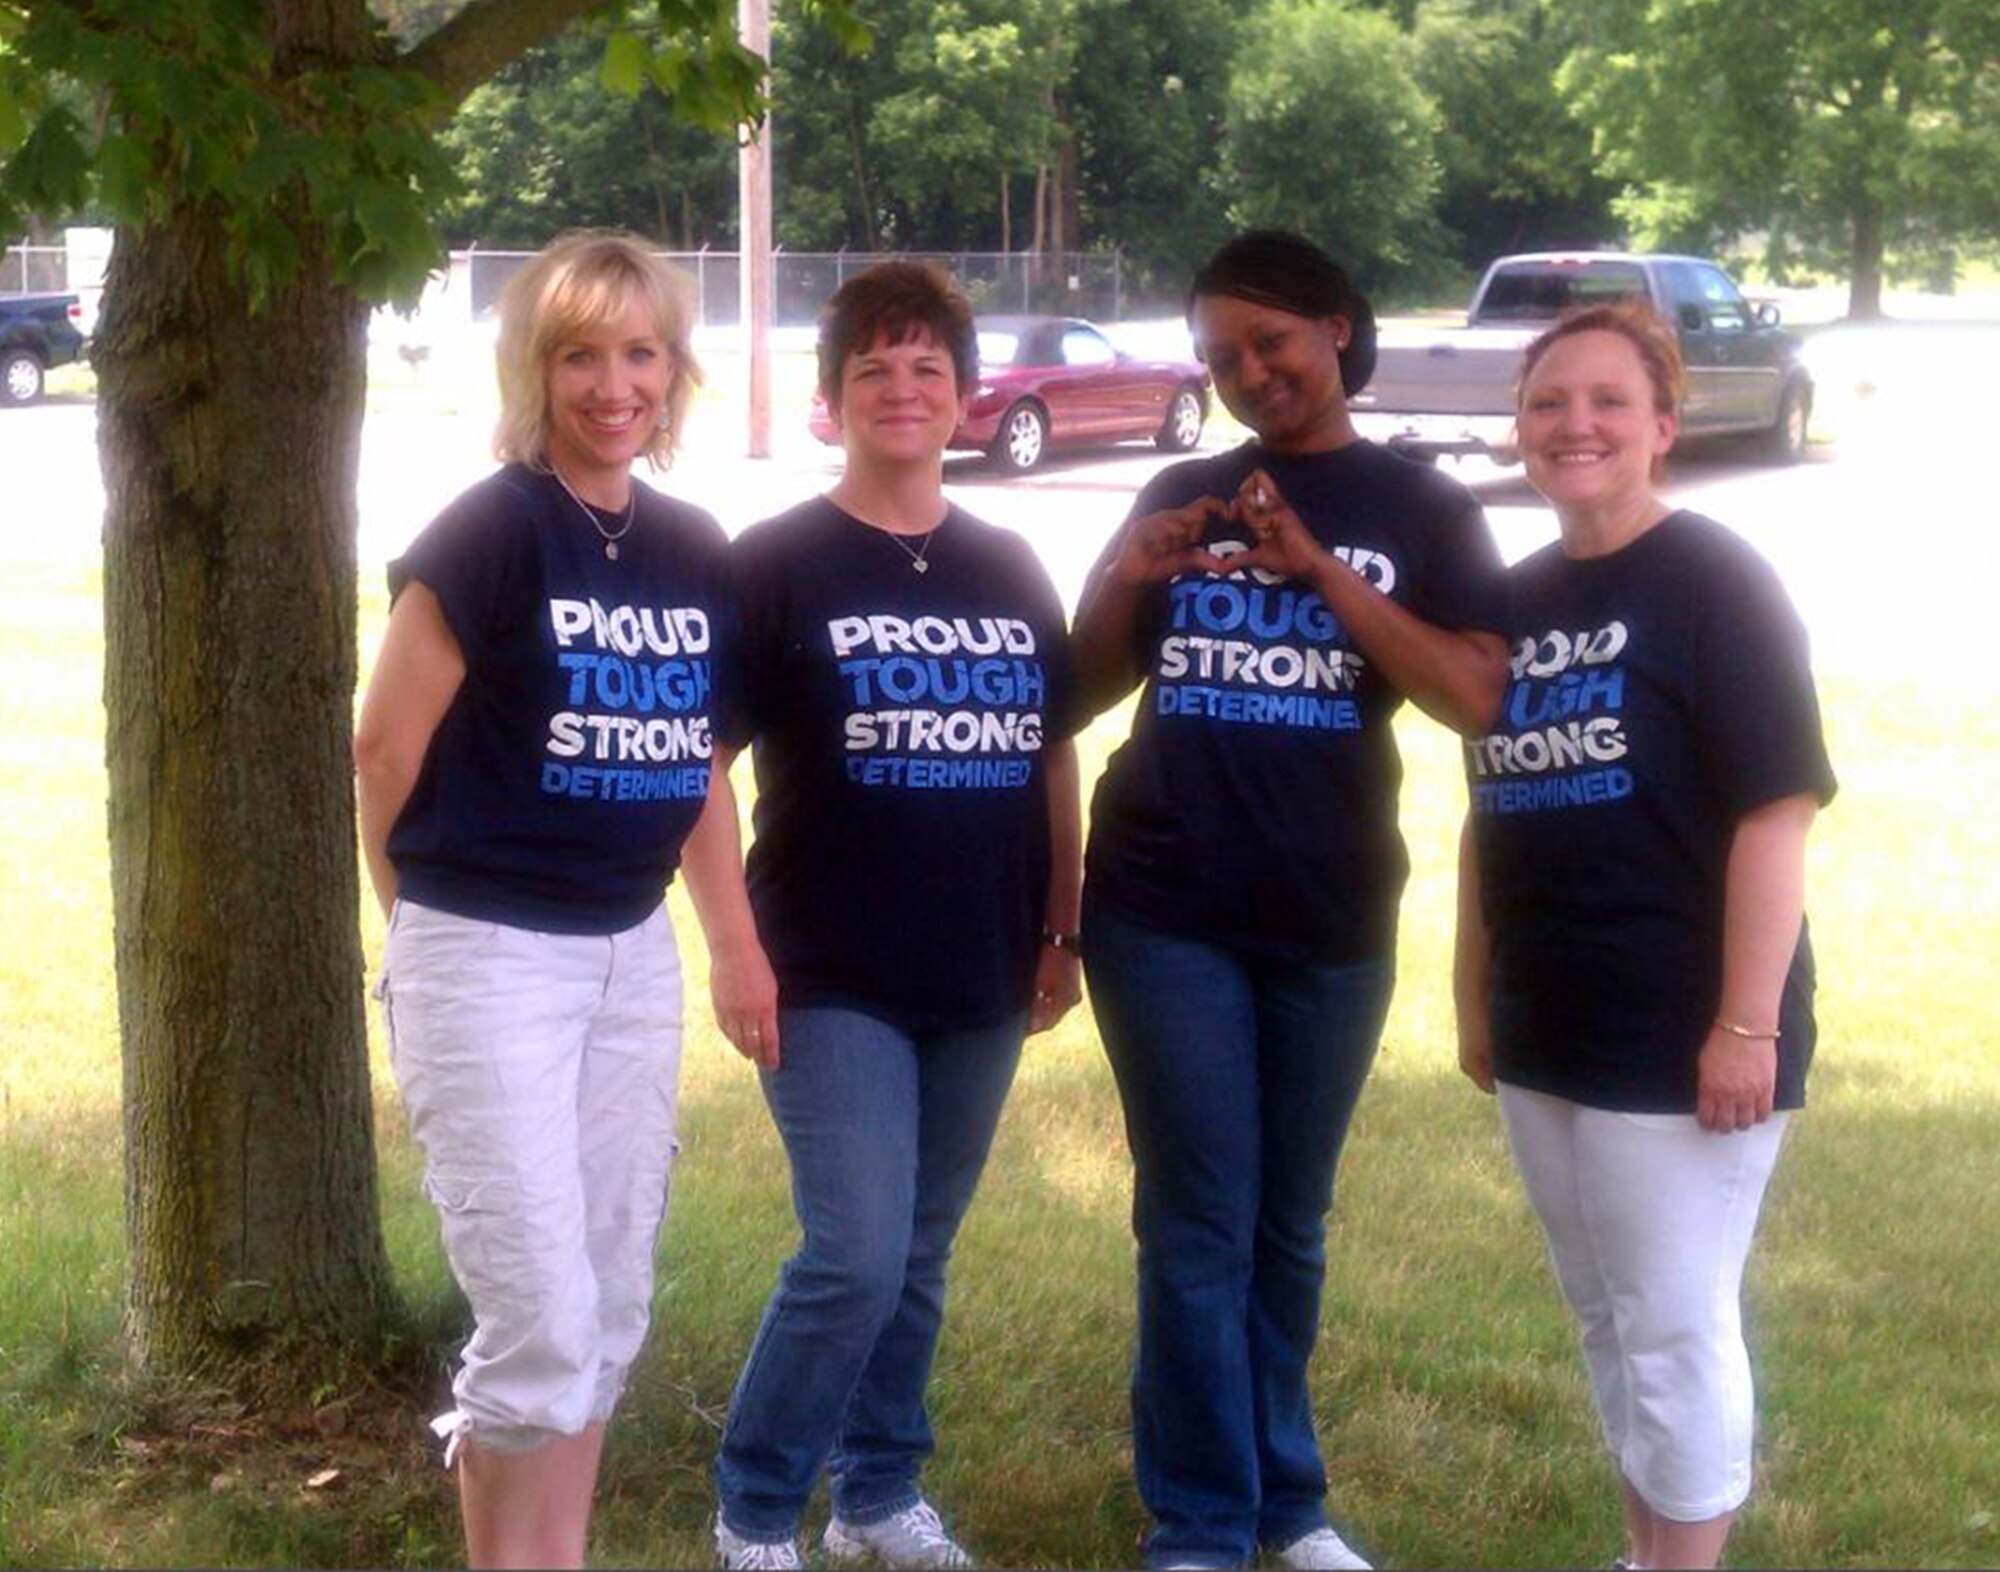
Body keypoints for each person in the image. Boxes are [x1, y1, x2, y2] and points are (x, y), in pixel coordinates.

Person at [1070, 230, 1509, 1571]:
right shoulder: (1187, 490)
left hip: (1329, 912)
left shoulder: (1423, 511)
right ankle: (1203, 1520)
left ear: (1336, 328)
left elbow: (1473, 693)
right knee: (1201, 1213)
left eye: (1271, 341)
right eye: (1221, 357)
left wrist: (1320, 569)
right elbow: (1071, 694)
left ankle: (1288, 1503)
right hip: (1163, 903)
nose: (1251, 371)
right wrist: (1122, 580)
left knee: (1288, 1221)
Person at [680, 261, 1082, 1572]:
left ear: (966, 402)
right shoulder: (778, 565)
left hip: (980, 959)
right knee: (853, 1250)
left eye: (927, 370)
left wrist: (1061, 926)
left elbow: (1052, 754)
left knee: (917, 1246)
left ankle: (876, 1496)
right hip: (827, 969)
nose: (902, 390)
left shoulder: (1010, 563)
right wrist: (734, 950)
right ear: (830, 400)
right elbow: (698, 766)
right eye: (873, 369)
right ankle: (754, 1510)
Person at [354, 231, 727, 1569]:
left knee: (611, 1306)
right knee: (539, 1317)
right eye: (581, 353)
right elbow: (384, 753)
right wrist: (425, 935)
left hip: (633, 955)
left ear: (674, 374)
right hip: (489, 958)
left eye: (640, 353)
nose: (613, 384)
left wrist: (731, 945)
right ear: (536, 367)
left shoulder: (691, 546)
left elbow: (697, 765)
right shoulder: (493, 527)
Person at [1453, 301, 1836, 1571]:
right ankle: (1643, 1551)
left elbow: (1773, 811)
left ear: (1661, 425)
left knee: (1672, 1325)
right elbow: (1485, 811)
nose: (1576, 424)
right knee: (1606, 1320)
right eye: (1549, 401)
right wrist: (1471, 997)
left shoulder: (1712, 581)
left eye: (1608, 400)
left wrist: (1745, 1024)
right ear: (1516, 431)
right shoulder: (1508, 601)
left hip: (1683, 1030)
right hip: (1547, 1024)